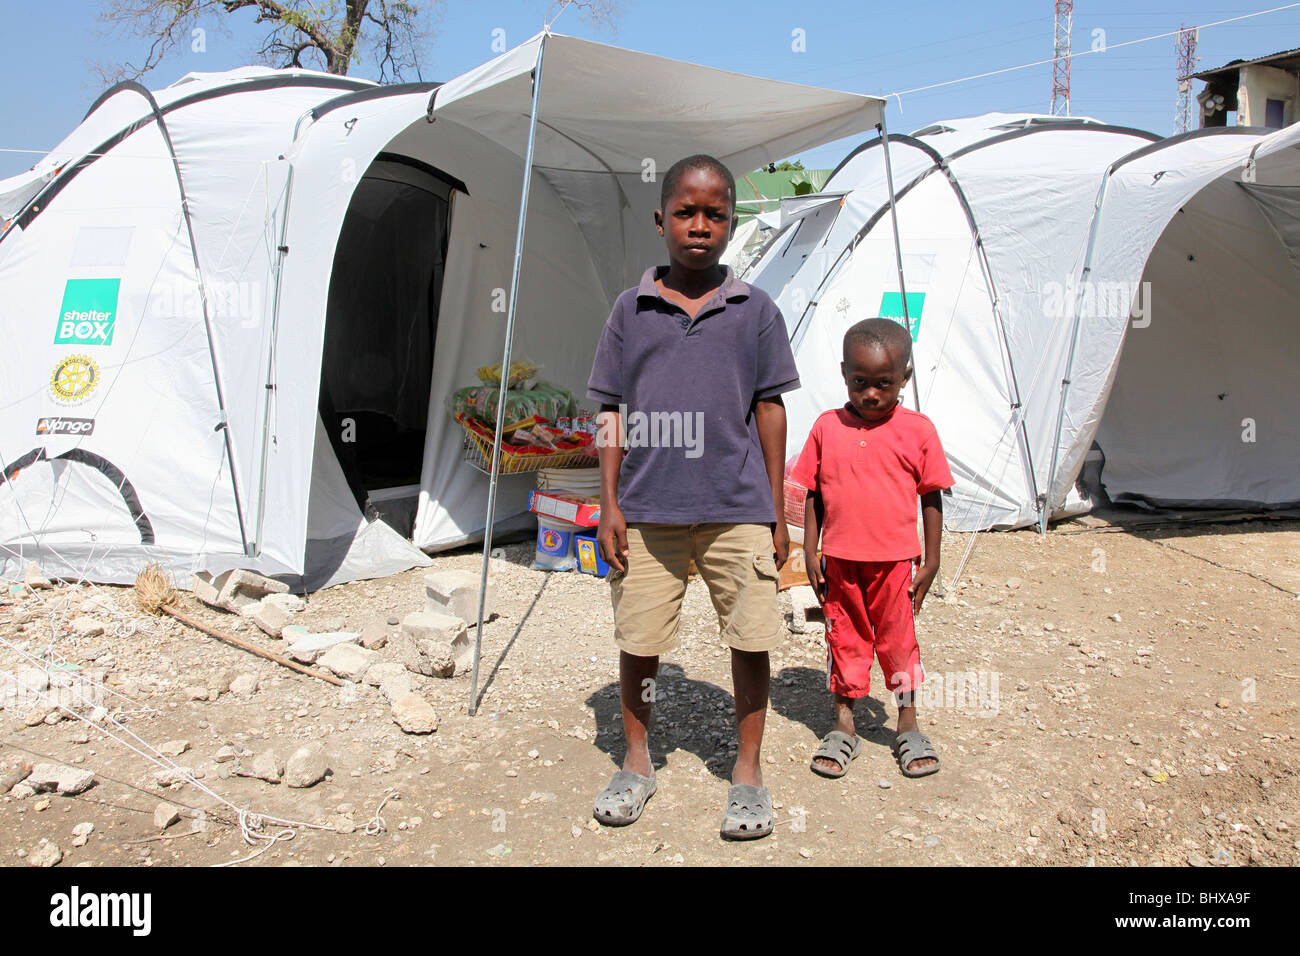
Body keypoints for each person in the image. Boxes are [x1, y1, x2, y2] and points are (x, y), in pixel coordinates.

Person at [586, 154, 799, 840]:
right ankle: (637, 759)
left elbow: (769, 409)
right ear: (661, 221)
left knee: (751, 637)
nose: (700, 226)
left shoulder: (755, 310)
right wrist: (610, 504)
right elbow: (610, 410)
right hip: (648, 511)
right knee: (639, 639)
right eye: (686, 212)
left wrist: (775, 508)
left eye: (715, 214)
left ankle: (748, 772)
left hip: (736, 507)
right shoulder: (631, 310)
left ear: (733, 223)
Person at [790, 318, 953, 780]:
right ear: (844, 373)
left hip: (897, 562)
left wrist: (933, 558)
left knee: (899, 642)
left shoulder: (918, 430)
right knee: (844, 637)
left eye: (884, 383)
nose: (872, 395)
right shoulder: (827, 427)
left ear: (905, 377)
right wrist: (810, 548)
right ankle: (844, 724)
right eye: (860, 383)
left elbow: (931, 495)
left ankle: (907, 723)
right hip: (840, 562)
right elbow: (813, 491)